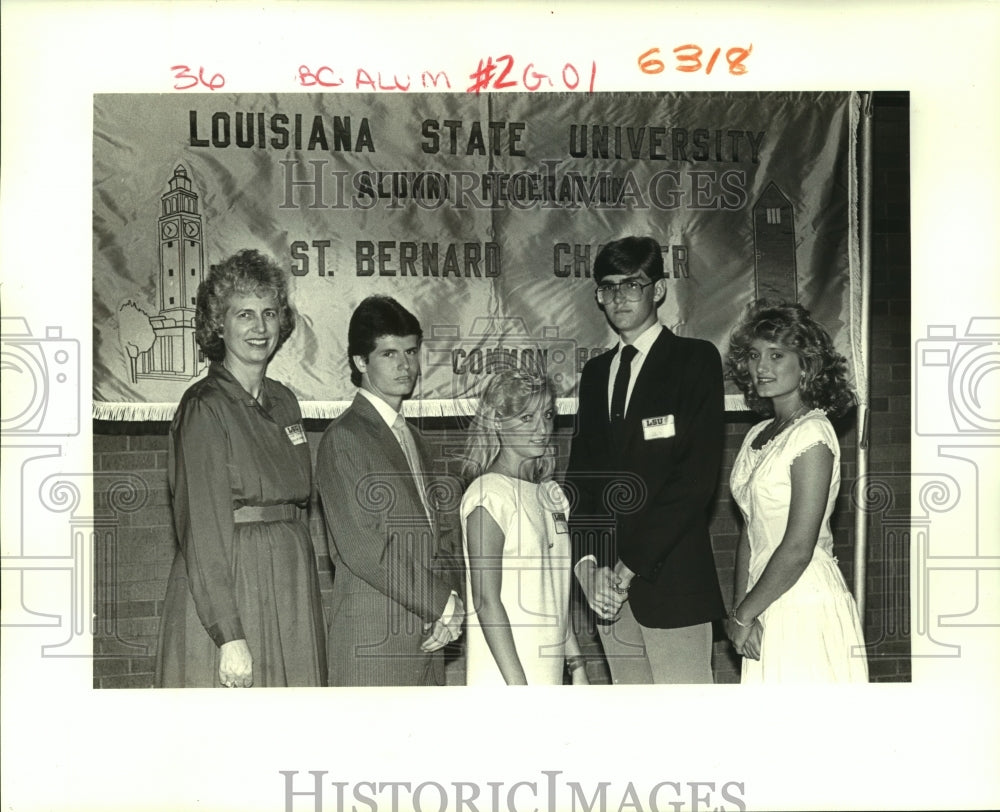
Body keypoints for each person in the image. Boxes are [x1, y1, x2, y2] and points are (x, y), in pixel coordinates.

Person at [155, 249, 327, 688]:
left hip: (289, 579)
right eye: (244, 314)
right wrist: (229, 635)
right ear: (220, 324)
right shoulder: (204, 407)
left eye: (269, 313)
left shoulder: (285, 400)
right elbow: (203, 530)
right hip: (233, 581)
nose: (260, 327)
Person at [566, 235, 725, 684]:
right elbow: (582, 482)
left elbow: (693, 482)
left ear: (657, 290)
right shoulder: (596, 375)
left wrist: (624, 567)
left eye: (631, 284)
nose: (618, 296)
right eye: (608, 287)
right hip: (608, 596)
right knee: (631, 732)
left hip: (670, 584)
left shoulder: (694, 360)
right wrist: (588, 567)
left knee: (684, 731)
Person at [315, 295, 464, 686]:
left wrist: (449, 601)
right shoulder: (344, 438)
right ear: (359, 362)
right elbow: (366, 548)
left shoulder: (414, 437)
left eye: (412, 352)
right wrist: (442, 603)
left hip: (430, 635)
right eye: (389, 353)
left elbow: (443, 533)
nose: (405, 365)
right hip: (374, 642)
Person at [725, 299, 868, 682]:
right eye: (754, 355)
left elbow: (798, 547)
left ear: (806, 363)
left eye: (776, 355)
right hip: (763, 599)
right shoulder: (759, 433)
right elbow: (749, 533)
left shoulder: (813, 434)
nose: (761, 367)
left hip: (803, 599)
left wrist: (743, 614)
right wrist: (741, 608)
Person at [460, 369, 590, 686]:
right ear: (498, 423)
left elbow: (556, 593)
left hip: (549, 672)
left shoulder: (551, 495)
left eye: (547, 415)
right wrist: (520, 689)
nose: (542, 428)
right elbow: (486, 602)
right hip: (506, 677)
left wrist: (577, 666)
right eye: (526, 417)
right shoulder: (488, 494)